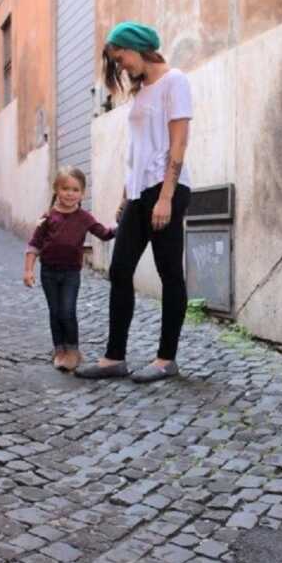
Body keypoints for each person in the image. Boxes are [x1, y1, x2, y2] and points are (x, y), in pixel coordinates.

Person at [76, 21, 192, 383]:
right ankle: (115, 358)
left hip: (166, 190)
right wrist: (127, 195)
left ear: (138, 47)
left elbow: (179, 144)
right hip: (140, 191)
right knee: (120, 269)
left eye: (121, 57)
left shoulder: (176, 82)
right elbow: (137, 151)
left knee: (169, 272)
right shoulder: (142, 93)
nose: (122, 66)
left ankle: (165, 359)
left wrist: (166, 198)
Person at [24, 168, 116, 371]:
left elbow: (104, 233)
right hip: (48, 272)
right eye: (65, 188)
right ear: (57, 189)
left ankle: (73, 350)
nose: (70, 193)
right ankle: (59, 350)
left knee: (67, 311)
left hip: (71, 274)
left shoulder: (84, 217)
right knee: (55, 312)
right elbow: (34, 245)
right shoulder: (48, 217)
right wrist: (28, 270)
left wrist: (120, 223)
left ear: (82, 193)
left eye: (75, 189)